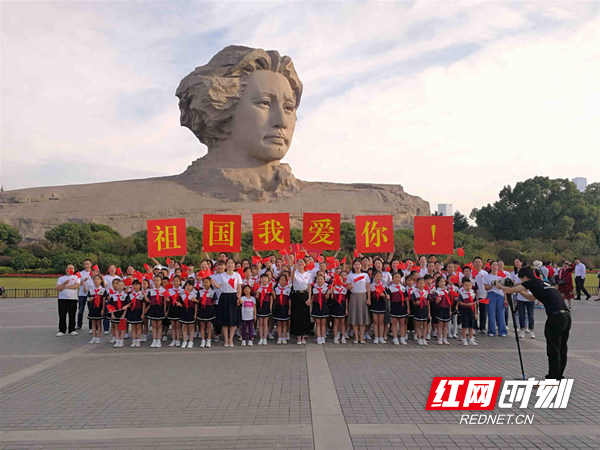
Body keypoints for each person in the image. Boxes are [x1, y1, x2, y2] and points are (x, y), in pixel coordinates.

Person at [497, 266, 571, 380]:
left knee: (553, 348)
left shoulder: (531, 283)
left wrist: (500, 286)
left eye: (521, 279)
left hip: (555, 317)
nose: (521, 282)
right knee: (562, 347)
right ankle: (559, 375)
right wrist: (519, 289)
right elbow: (531, 297)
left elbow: (509, 291)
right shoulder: (541, 283)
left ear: (525, 277)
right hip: (566, 316)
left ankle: (553, 377)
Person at [214, 258, 243, 348]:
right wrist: (214, 282)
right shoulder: (222, 275)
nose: (230, 265)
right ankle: (226, 339)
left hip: (233, 297)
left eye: (232, 263)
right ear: (226, 266)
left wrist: (238, 298)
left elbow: (239, 287)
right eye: (228, 263)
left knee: (232, 320)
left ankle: (231, 339)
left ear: (234, 265)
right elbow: (219, 286)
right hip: (224, 297)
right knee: (225, 320)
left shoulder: (237, 275)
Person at [347, 260, 371, 344]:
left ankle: (361, 337)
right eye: (355, 264)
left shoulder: (365, 275)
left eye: (358, 264)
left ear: (361, 265)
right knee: (354, 317)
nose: (357, 266)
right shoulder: (350, 275)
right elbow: (348, 286)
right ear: (353, 266)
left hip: (363, 296)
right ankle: (356, 337)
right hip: (354, 297)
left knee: (362, 317)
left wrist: (369, 298)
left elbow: (368, 287)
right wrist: (349, 287)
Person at [511, 258, 535, 339]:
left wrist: (521, 286)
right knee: (521, 314)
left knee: (530, 315)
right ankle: (522, 329)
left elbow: (527, 287)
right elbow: (516, 286)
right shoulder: (517, 275)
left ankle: (531, 330)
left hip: (530, 297)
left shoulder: (531, 276)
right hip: (520, 298)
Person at [290, 258, 312, 344]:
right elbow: (292, 279)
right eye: (298, 262)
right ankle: (298, 336)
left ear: (305, 264)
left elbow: (309, 287)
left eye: (302, 262)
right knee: (297, 316)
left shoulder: (308, 274)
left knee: (304, 316)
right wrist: (293, 270)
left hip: (305, 295)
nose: (300, 264)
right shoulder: (295, 273)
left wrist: (309, 298)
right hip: (296, 295)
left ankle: (303, 335)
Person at [484, 261, 508, 337]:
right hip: (491, 295)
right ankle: (491, 331)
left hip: (500, 295)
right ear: (490, 267)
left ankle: (502, 331)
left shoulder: (502, 276)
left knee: (501, 313)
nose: (495, 266)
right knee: (491, 313)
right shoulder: (487, 276)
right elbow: (486, 287)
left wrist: (505, 298)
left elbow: (505, 288)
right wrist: (492, 284)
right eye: (493, 265)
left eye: (496, 265)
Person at [56, 265, 81, 337]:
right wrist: (64, 284)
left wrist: (64, 287)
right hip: (62, 299)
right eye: (69, 268)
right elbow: (57, 288)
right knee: (62, 314)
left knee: (72, 314)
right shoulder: (61, 278)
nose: (70, 269)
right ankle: (62, 330)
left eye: (72, 268)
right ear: (66, 269)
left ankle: (72, 329)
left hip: (73, 299)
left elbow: (76, 286)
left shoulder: (76, 277)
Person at [85, 274, 107, 344]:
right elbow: (88, 299)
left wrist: (103, 309)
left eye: (98, 279)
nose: (96, 281)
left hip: (99, 308)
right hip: (93, 309)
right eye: (94, 279)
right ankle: (94, 337)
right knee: (93, 323)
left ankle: (98, 337)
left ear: (101, 281)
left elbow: (104, 301)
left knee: (99, 323)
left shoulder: (103, 290)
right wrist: (90, 299)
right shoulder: (91, 290)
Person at [196, 277, 216, 348]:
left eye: (207, 282)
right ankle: (203, 340)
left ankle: (209, 340)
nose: (205, 284)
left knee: (209, 326)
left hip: (209, 310)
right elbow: (198, 301)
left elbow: (214, 302)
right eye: (204, 282)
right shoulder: (200, 292)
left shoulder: (213, 292)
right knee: (202, 326)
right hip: (202, 310)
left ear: (210, 283)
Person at [368, 271, 388, 344]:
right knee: (375, 322)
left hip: (381, 304)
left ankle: (381, 337)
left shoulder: (383, 285)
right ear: (373, 277)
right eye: (377, 276)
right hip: (374, 304)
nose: (378, 278)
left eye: (380, 276)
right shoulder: (371, 286)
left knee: (381, 322)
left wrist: (386, 295)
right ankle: (376, 337)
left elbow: (387, 295)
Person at [457, 278, 478, 346]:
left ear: (471, 286)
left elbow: (474, 304)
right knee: (465, 325)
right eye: (466, 285)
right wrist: (466, 304)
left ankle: (471, 339)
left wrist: (475, 313)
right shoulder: (462, 294)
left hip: (471, 311)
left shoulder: (473, 294)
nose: (468, 287)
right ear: (463, 286)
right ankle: (464, 339)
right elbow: (459, 302)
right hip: (464, 311)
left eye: (469, 285)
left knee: (471, 326)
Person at [178, 280, 198, 348]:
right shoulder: (182, 294)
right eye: (187, 285)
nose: (188, 287)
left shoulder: (195, 293)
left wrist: (195, 313)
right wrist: (179, 304)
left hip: (191, 311)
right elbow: (182, 305)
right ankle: (184, 341)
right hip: (184, 311)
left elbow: (196, 305)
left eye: (190, 285)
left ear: (193, 286)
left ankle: (191, 341)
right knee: (185, 327)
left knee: (191, 327)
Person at [272, 274, 291, 345]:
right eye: (281, 280)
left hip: (285, 307)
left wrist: (289, 309)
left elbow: (289, 300)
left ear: (286, 281)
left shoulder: (288, 289)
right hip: (278, 307)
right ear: (279, 281)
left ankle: (284, 337)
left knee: (285, 323)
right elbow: (274, 299)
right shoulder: (276, 288)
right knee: (279, 323)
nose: (282, 281)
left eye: (284, 280)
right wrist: (273, 294)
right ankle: (279, 337)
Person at [310, 274, 329, 344]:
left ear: (324, 281)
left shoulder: (326, 289)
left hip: (324, 307)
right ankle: (318, 337)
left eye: (321, 279)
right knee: (317, 324)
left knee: (323, 324)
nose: (319, 281)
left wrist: (329, 293)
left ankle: (323, 337)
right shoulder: (314, 289)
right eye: (318, 279)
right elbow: (312, 298)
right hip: (316, 307)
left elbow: (327, 298)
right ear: (316, 280)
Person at [255, 274, 273, 346]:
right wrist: (257, 293)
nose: (264, 280)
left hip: (266, 305)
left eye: (265, 278)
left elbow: (272, 298)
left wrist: (270, 307)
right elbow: (256, 297)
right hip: (260, 306)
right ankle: (261, 338)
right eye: (262, 278)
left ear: (268, 279)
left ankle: (265, 338)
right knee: (260, 323)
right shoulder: (259, 287)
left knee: (265, 323)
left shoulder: (269, 288)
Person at [411, 278, 430, 346]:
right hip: (418, 310)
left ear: (424, 284)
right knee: (418, 325)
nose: (421, 285)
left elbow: (428, 303)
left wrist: (429, 313)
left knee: (425, 325)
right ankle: (419, 338)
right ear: (417, 284)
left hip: (425, 310)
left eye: (422, 283)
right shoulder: (415, 293)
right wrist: (416, 302)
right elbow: (413, 302)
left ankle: (424, 339)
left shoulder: (426, 293)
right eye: (419, 283)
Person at [126, 279, 145, 348]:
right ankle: (134, 340)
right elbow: (129, 304)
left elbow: (143, 305)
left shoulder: (142, 294)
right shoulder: (130, 295)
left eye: (137, 284)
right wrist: (126, 306)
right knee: (133, 327)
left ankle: (138, 340)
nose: (135, 286)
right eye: (134, 284)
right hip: (132, 312)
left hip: (139, 311)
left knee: (139, 327)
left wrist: (143, 313)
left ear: (140, 286)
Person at [76, 259, 92, 332]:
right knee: (80, 310)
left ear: (90, 264)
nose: (86, 265)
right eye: (85, 264)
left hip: (90, 294)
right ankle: (79, 325)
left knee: (91, 310)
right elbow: (77, 283)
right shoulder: (80, 273)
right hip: (82, 294)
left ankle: (91, 326)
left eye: (87, 264)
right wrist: (83, 281)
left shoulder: (94, 273)